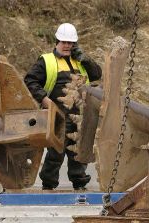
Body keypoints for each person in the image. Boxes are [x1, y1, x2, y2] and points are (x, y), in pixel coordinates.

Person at [24, 22, 102, 191]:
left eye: (70, 43)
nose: (67, 46)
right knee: (55, 152)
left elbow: (97, 75)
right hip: (57, 113)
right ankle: (48, 184)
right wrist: (44, 99)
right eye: (64, 42)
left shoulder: (80, 61)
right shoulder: (46, 60)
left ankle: (80, 183)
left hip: (80, 113)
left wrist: (86, 59)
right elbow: (30, 80)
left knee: (78, 151)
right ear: (57, 42)